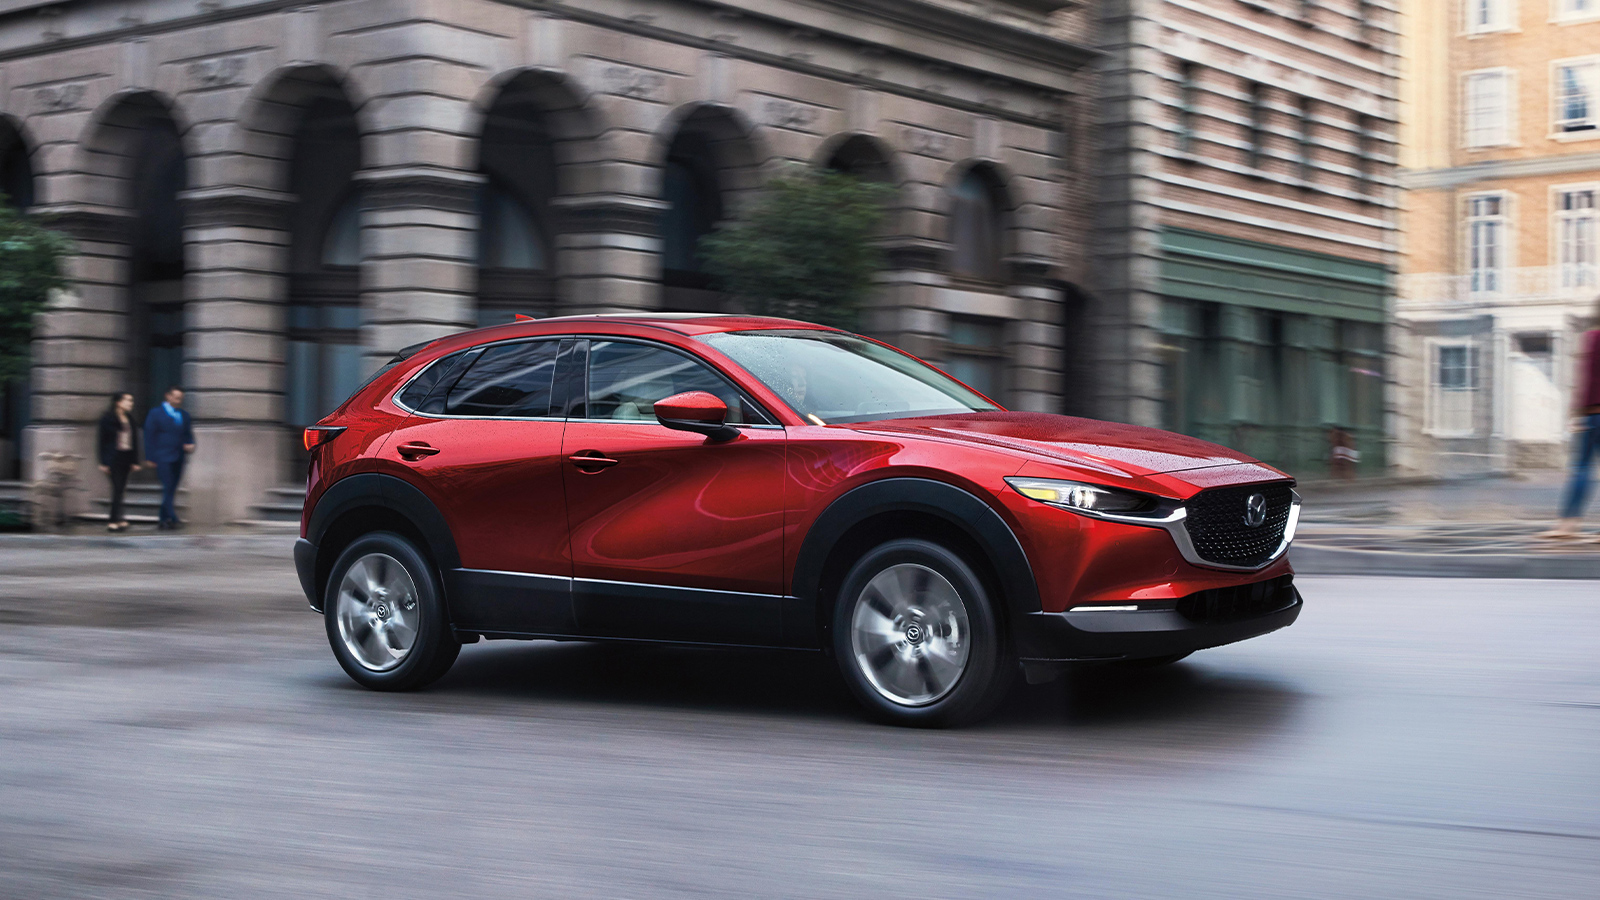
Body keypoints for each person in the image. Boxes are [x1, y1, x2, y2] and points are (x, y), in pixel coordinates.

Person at [1544, 312, 1600, 540]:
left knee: (1581, 470)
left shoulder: (1592, 338)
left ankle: (1567, 526)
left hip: (1592, 415)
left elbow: (1586, 379)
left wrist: (1577, 412)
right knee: (1582, 470)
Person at [143, 386, 195, 531]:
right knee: (167, 486)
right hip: (162, 456)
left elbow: (188, 434)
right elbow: (149, 436)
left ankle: (163, 520)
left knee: (172, 488)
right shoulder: (155, 413)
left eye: (181, 398)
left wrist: (190, 444)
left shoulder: (184, 415)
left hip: (179, 456)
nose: (179, 401)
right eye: (176, 398)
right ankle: (173, 517)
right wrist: (150, 457)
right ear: (168, 396)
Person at [96, 392, 141, 532]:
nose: (131, 403)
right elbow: (101, 442)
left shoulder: (130, 419)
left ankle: (120, 519)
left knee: (120, 489)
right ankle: (112, 520)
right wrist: (103, 462)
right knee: (117, 489)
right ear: (118, 402)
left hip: (126, 457)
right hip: (113, 458)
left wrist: (135, 461)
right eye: (128, 400)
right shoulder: (107, 418)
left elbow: (134, 441)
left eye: (131, 401)